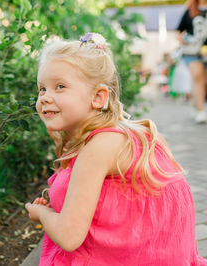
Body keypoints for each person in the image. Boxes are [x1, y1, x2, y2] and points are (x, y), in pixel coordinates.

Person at [25, 33, 207, 265]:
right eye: (42, 89)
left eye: (60, 87)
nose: (45, 98)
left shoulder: (99, 146)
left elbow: (69, 237)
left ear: (98, 97)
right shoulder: (129, 133)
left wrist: (42, 214)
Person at [177, 0, 207, 123]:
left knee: (203, 81)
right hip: (192, 51)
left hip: (205, 50)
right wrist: (182, 39)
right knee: (198, 77)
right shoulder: (190, 8)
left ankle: (196, 105)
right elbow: (179, 30)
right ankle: (200, 110)